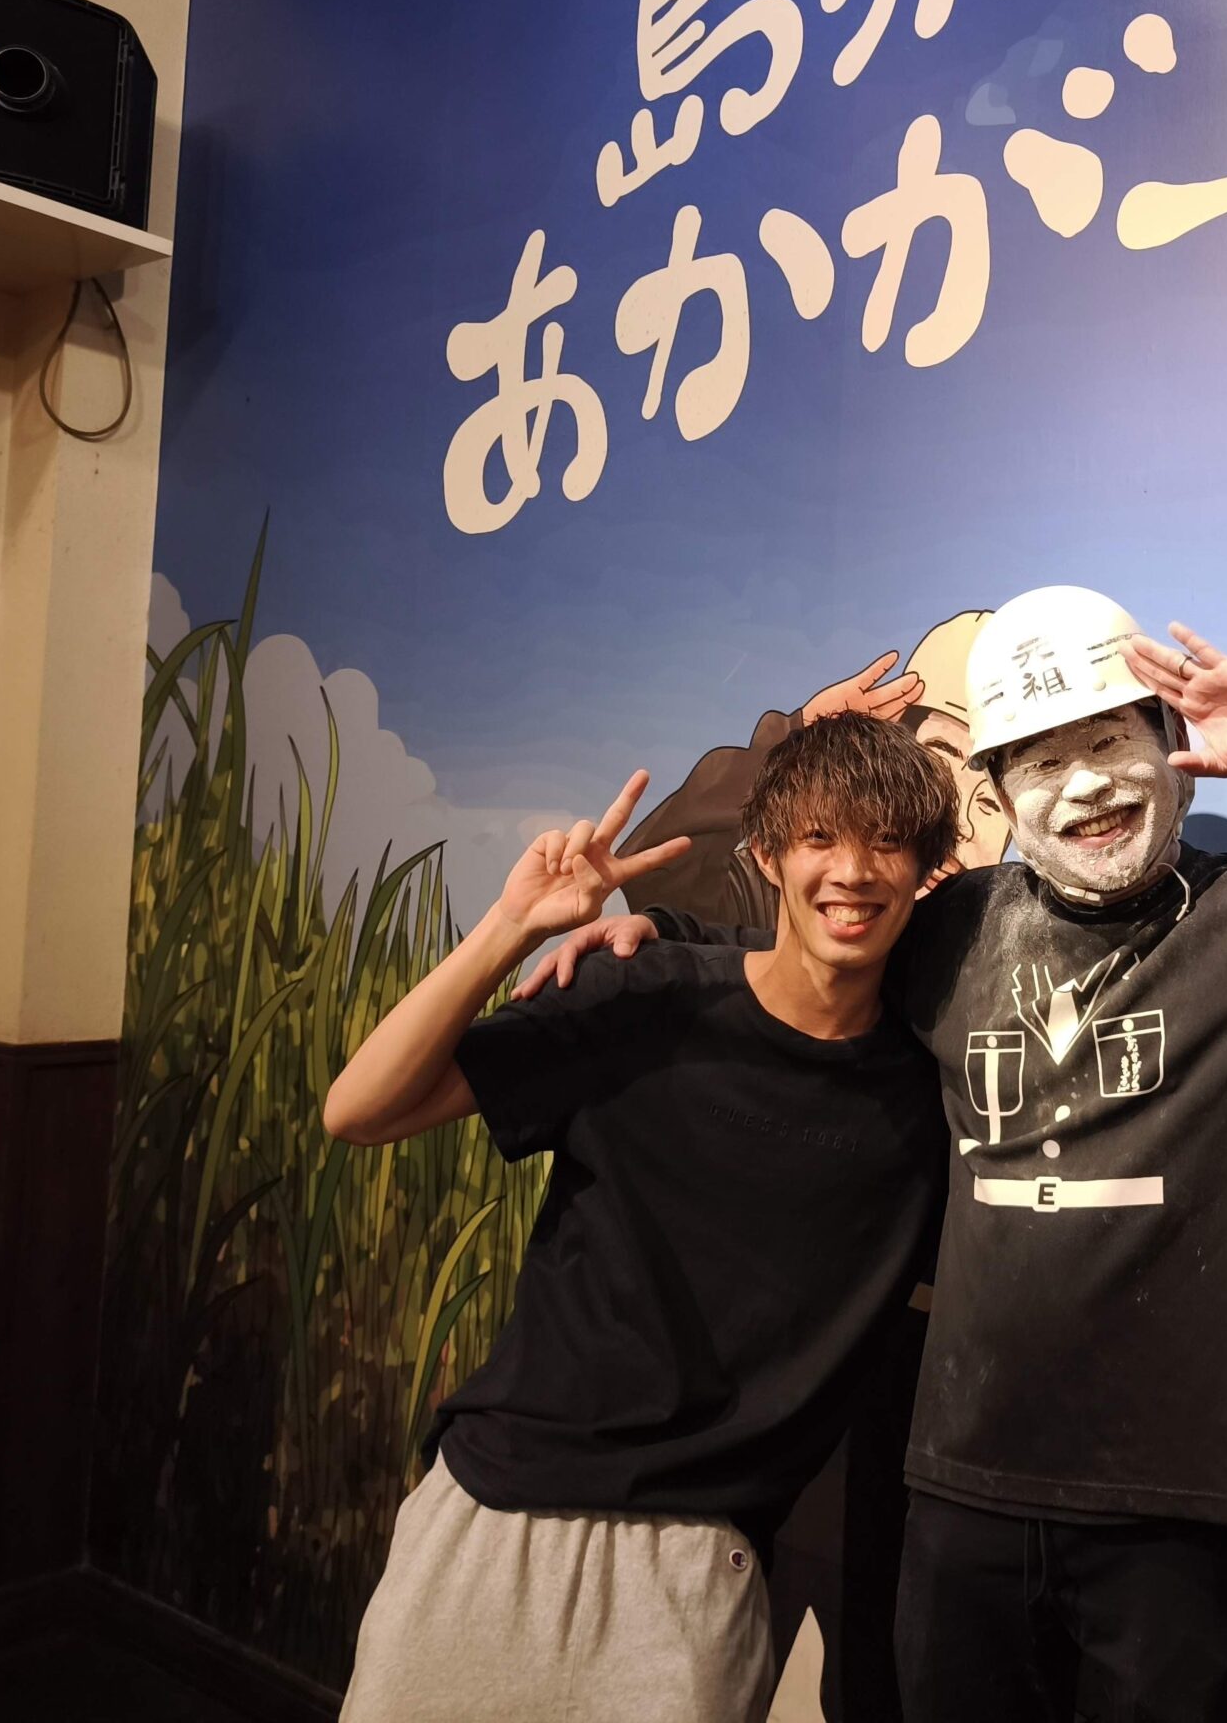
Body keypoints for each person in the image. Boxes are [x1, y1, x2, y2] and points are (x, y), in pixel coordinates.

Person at [533, 585, 1227, 1723]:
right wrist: (663, 932)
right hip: (965, 1490)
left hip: (1190, 1509)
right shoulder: (951, 929)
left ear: (1171, 749)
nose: (1085, 787)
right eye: (1039, 760)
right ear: (994, 793)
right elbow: (806, 963)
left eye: (1110, 742)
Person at [326, 716, 958, 1723]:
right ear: (767, 856)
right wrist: (511, 928)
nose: (852, 871)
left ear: (928, 872)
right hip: (501, 1506)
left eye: (888, 842)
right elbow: (359, 1111)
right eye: (819, 837)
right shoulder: (644, 997)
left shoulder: (932, 1093)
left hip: (701, 1561)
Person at [620, 610, 1011, 928]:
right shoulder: (786, 897)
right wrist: (789, 743)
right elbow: (657, 877)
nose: (962, 824)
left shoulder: (1009, 951)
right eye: (938, 765)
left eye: (989, 804)